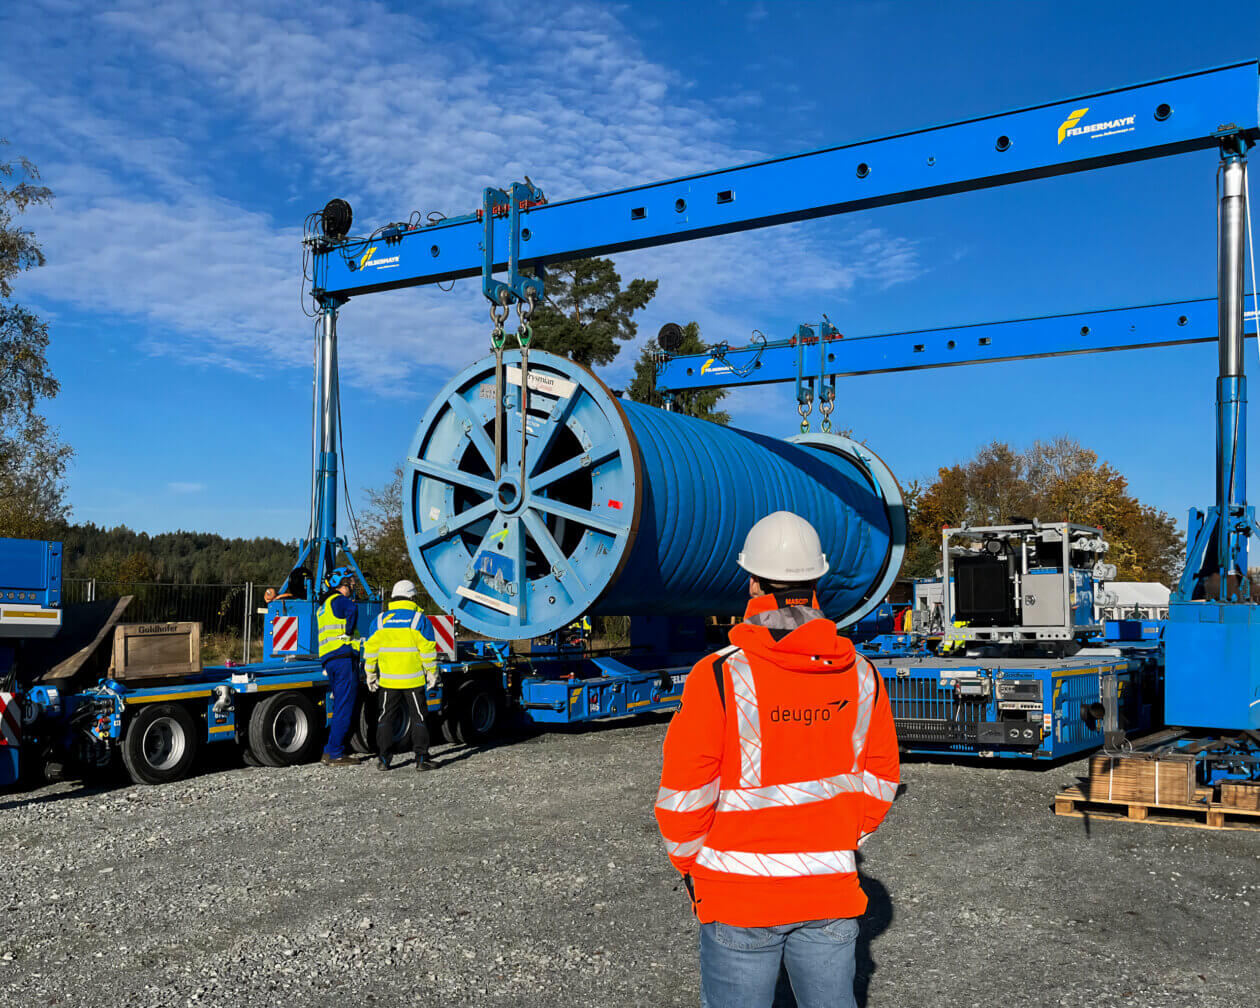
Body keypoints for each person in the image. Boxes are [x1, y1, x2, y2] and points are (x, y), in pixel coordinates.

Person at [654, 511, 899, 1008]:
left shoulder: (718, 677)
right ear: (816, 583)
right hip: (830, 893)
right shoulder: (862, 677)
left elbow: (683, 798)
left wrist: (694, 864)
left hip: (737, 898)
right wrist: (838, 836)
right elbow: (880, 782)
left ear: (752, 583)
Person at [362, 579, 439, 772]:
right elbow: (428, 650)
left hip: (388, 681)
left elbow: (370, 650)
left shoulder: (379, 621)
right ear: (412, 597)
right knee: (419, 718)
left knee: (385, 719)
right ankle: (422, 760)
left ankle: (384, 760)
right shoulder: (418, 620)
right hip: (413, 680)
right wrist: (432, 674)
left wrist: (370, 674)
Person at [318, 566, 362, 767]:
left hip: (330, 659)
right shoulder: (341, 600)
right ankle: (335, 753)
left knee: (339, 706)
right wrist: (348, 632)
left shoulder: (324, 605)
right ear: (341, 584)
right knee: (344, 706)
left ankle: (329, 751)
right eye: (350, 581)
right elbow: (353, 610)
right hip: (344, 658)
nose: (353, 584)